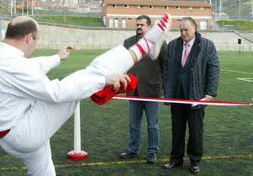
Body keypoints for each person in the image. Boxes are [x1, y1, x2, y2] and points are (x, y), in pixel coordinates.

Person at [0, 14, 170, 176]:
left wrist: (57, 57)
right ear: (29, 38)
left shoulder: (6, 56)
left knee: (44, 172)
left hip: (14, 130)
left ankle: (144, 47)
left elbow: (30, 67)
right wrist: (102, 81)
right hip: (21, 132)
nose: (35, 44)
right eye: (37, 40)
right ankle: (144, 46)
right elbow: (55, 93)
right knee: (82, 78)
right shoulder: (13, 63)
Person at [162, 17, 219, 174]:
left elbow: (213, 69)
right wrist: (167, 93)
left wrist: (210, 93)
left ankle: (194, 161)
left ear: (195, 28)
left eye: (186, 29)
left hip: (197, 95)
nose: (183, 33)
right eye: (180, 30)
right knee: (177, 130)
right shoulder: (173, 45)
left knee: (196, 132)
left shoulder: (207, 46)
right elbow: (166, 71)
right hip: (177, 96)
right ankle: (176, 159)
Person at [119, 15, 167, 164]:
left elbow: (165, 66)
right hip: (133, 91)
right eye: (137, 24)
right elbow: (122, 64)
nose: (139, 27)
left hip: (152, 91)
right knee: (133, 124)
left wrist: (165, 88)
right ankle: (133, 150)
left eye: (142, 25)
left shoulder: (159, 43)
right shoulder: (128, 43)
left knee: (152, 125)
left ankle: (153, 152)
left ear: (149, 27)